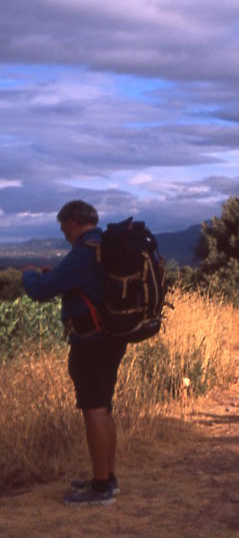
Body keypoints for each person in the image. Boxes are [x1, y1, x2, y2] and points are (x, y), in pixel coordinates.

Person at [22, 200, 126, 506]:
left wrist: (28, 274)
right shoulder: (103, 246)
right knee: (103, 408)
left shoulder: (84, 252)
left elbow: (40, 291)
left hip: (90, 341)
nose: (63, 234)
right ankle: (106, 477)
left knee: (94, 409)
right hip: (111, 337)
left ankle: (101, 488)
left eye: (62, 227)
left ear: (71, 222)